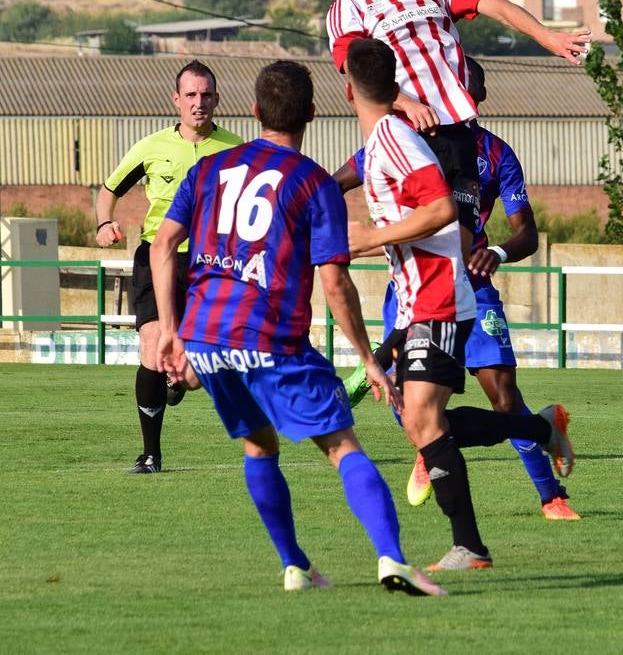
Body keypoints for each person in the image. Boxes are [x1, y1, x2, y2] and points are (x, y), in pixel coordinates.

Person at [149, 60, 446, 596]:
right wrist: (370, 359)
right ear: (312, 112)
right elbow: (335, 285)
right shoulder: (313, 183)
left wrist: (170, 328)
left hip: (207, 338)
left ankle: (296, 567)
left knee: (260, 447)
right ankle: (393, 559)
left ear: (255, 111)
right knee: (341, 446)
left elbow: (162, 242)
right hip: (270, 340)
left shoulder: (210, 169)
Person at [344, 38, 575, 573]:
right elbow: (341, 183)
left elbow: (459, 214)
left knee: (478, 401)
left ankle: (517, 509)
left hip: (448, 290)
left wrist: (364, 239)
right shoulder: (403, 135)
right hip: (417, 290)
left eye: (462, 82)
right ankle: (530, 434)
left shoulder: (476, 150)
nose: (454, 89)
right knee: (422, 419)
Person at [327, 0, 591, 263]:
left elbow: (492, 3)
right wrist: (405, 102)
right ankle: (352, 249)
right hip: (406, 129)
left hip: (459, 132)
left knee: (459, 251)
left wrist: (549, 38)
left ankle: (443, 313)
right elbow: (354, 68)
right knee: (422, 241)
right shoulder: (349, 4)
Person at [95, 59, 242, 474]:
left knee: (194, 371)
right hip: (156, 255)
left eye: (206, 95)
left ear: (217, 99)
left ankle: (181, 378)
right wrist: (105, 222)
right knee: (152, 347)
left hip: (210, 261)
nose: (199, 103)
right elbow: (109, 189)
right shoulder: (150, 147)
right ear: (176, 100)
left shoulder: (235, 150)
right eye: (191, 95)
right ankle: (150, 454)